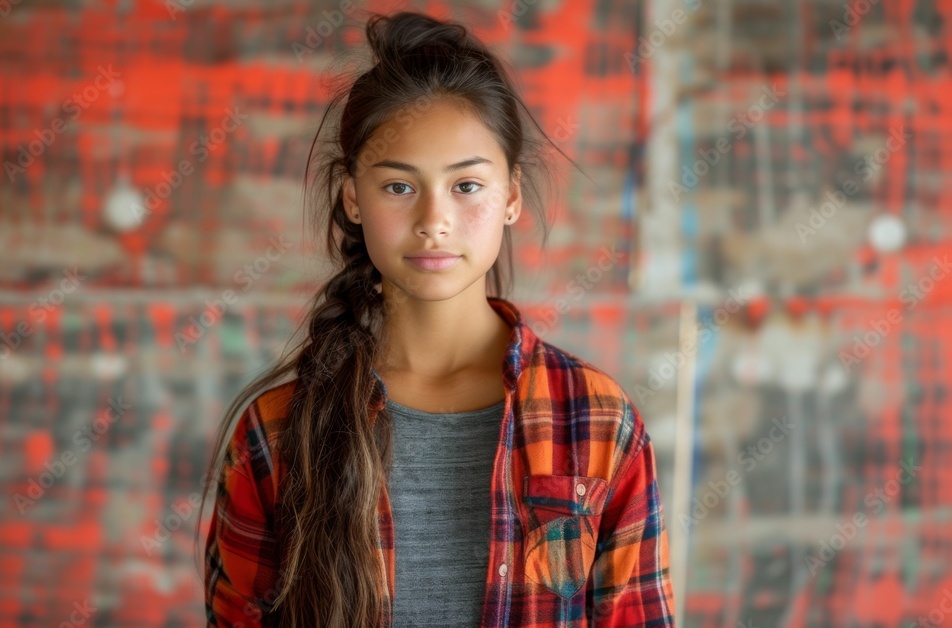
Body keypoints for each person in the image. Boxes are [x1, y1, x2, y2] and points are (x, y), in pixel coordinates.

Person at [197, 10, 675, 627]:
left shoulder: (597, 421)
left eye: (466, 186)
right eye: (399, 187)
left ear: (512, 196)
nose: (434, 219)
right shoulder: (279, 432)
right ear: (352, 197)